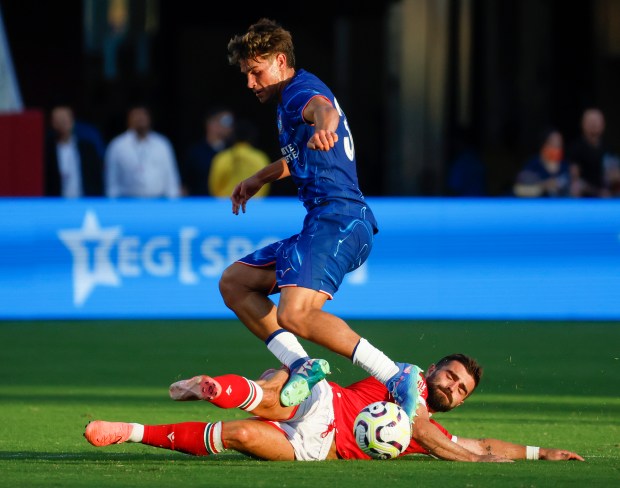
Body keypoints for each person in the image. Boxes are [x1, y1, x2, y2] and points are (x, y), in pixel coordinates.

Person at [220, 18, 420, 418]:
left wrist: (325, 127)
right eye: (246, 75)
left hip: (340, 220)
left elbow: (322, 111)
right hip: (327, 222)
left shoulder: (298, 93)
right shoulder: (287, 102)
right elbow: (299, 156)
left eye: (255, 72)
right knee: (235, 283)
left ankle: (395, 375)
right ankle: (300, 365)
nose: (250, 83)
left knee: (295, 313)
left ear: (280, 61)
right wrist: (260, 177)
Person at [84, 353, 584, 463]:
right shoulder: (404, 380)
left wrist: (541, 452)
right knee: (284, 394)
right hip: (328, 401)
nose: (452, 389)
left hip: (317, 447)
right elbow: (436, 438)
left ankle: (128, 430)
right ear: (432, 370)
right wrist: (472, 462)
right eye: (450, 377)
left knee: (241, 434)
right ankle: (226, 387)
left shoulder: (433, 431)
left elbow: (483, 442)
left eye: (461, 391)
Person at [105, 104, 181, 198]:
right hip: (127, 202)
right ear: (129, 119)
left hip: (158, 202)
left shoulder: (162, 144)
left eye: (143, 115)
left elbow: (171, 178)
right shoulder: (117, 145)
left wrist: (173, 201)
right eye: (136, 115)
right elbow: (112, 181)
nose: (140, 118)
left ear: (149, 118)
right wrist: (113, 203)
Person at [44, 105, 104, 197]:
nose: (63, 123)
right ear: (52, 123)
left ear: (72, 121)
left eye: (65, 119)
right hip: (56, 204)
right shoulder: (46, 151)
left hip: (83, 203)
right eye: (59, 120)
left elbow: (96, 179)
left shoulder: (87, 149)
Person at [208, 118, 271, 197]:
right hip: (254, 206)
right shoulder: (260, 158)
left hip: (225, 206)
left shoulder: (222, 158)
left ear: (232, 136)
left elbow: (214, 187)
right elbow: (265, 186)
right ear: (252, 136)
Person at [566, 108, 619, 197]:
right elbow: (575, 177)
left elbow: (614, 173)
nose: (594, 124)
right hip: (586, 193)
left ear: (603, 124)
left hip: (608, 193)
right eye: (591, 121)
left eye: (597, 121)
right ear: (583, 124)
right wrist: (597, 192)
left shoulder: (609, 148)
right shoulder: (576, 148)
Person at [182, 107, 235, 196]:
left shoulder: (234, 153)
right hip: (200, 205)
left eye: (231, 123)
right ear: (211, 123)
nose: (230, 127)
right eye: (226, 122)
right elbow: (185, 185)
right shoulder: (195, 153)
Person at [513, 128, 573, 198]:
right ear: (544, 144)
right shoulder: (533, 165)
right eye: (553, 143)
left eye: (559, 143)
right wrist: (542, 186)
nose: (557, 146)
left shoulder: (565, 166)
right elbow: (518, 189)